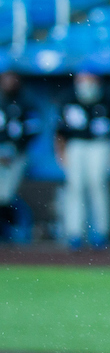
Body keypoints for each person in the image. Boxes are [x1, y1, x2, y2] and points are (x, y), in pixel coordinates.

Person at [56, 68, 110, 250]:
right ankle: (74, 233)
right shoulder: (68, 98)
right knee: (75, 186)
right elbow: (59, 130)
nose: (85, 83)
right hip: (76, 144)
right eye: (82, 79)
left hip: (100, 144)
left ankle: (101, 233)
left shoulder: (109, 99)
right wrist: (60, 152)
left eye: (89, 79)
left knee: (97, 184)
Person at [0, 67, 42, 242]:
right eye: (5, 79)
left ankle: (18, 230)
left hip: (16, 154)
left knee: (5, 196)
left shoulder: (26, 102)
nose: (9, 83)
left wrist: (15, 149)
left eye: (12, 79)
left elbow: (33, 131)